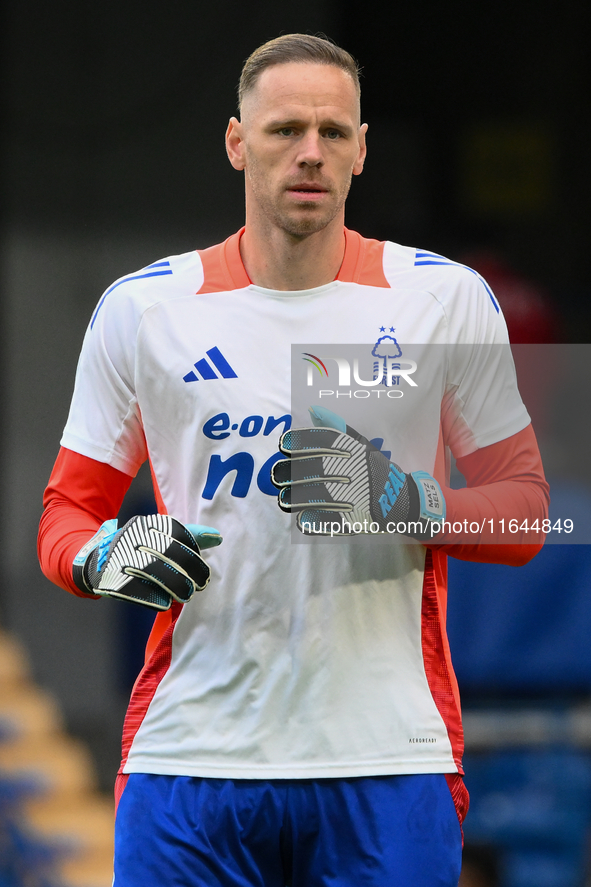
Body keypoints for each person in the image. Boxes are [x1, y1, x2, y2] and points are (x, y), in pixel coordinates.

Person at [38, 34, 549, 887]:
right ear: (237, 142)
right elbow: (64, 517)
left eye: (332, 131)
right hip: (190, 755)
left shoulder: (443, 299)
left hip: (385, 756)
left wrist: (396, 498)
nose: (309, 152)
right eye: (284, 130)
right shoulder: (143, 310)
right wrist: (99, 558)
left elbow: (527, 514)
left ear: (359, 149)